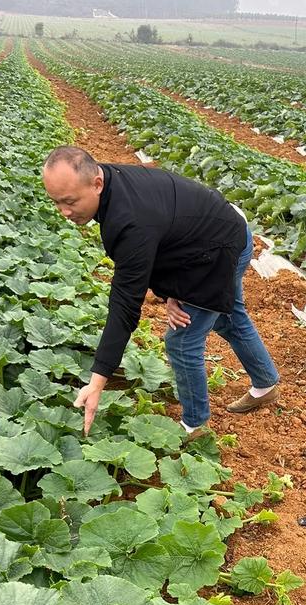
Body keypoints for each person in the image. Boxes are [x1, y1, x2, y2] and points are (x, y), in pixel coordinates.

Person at [41, 146, 280, 435]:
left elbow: (125, 303)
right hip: (206, 235)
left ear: (97, 183)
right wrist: (171, 293)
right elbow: (157, 246)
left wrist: (98, 380)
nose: (64, 212)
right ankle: (266, 383)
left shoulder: (130, 219)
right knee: (228, 317)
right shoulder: (106, 182)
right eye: (56, 202)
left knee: (182, 340)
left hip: (221, 245)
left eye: (70, 202)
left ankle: (195, 426)